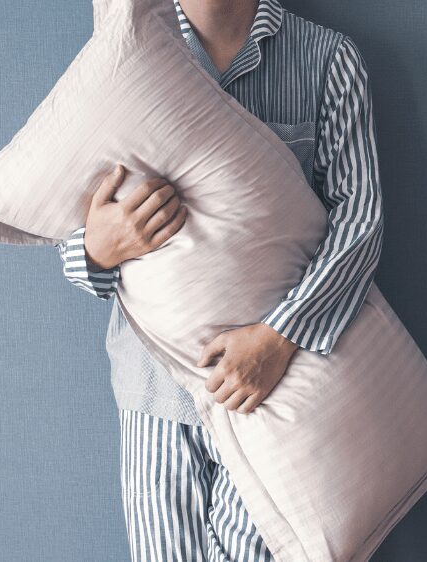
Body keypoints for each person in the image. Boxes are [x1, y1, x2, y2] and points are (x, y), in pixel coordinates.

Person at [54, 0, 384, 559]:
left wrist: (280, 336)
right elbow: (62, 209)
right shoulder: (118, 54)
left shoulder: (328, 60)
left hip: (279, 393)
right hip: (154, 394)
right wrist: (95, 250)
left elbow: (360, 219)